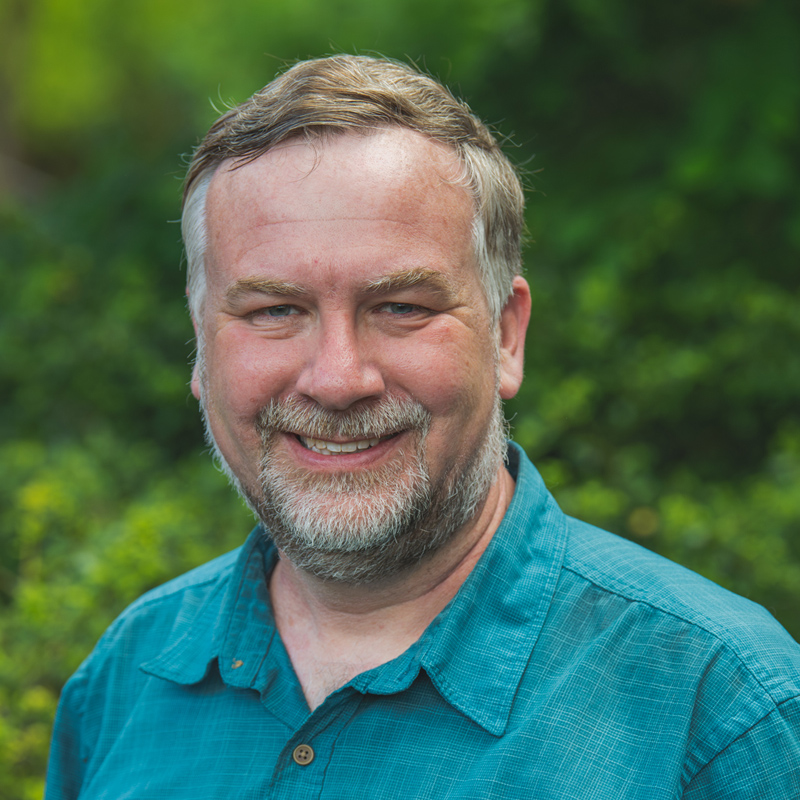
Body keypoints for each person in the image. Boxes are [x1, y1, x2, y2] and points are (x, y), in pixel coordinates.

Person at [45, 55, 800, 799]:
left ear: (506, 335)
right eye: (274, 311)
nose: (338, 379)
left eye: (401, 307)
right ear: (201, 345)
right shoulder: (125, 680)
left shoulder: (723, 710)